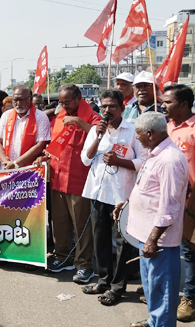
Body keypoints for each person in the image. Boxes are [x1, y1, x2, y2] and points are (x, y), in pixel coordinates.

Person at [117, 112, 188, 327]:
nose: (136, 138)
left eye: (138, 134)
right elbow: (147, 189)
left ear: (150, 133)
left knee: (162, 288)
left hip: (158, 241)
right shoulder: (155, 153)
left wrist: (153, 240)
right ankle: (155, 320)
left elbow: (169, 206)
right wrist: (128, 203)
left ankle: (163, 323)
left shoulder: (169, 160)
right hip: (146, 236)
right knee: (151, 286)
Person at [79, 89, 146, 306]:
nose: (107, 110)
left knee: (122, 244)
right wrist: (97, 137)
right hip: (98, 193)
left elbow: (144, 162)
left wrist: (120, 161)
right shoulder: (97, 130)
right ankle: (104, 280)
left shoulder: (132, 131)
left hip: (122, 197)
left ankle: (118, 287)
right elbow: (85, 160)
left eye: (112, 107)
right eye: (104, 106)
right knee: (100, 240)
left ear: (122, 108)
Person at [35, 84, 101, 283]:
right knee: (59, 223)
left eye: (68, 101)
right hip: (58, 178)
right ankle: (63, 257)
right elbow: (56, 145)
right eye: (62, 102)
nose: (64, 105)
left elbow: (101, 135)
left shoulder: (92, 116)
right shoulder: (60, 116)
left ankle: (84, 265)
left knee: (82, 225)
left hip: (80, 181)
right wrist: (44, 157)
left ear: (79, 97)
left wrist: (80, 122)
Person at [162, 84, 195, 321]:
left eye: (168, 101)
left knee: (189, 251)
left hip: (191, 202)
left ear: (183, 105)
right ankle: (168, 293)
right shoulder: (166, 127)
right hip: (167, 198)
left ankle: (189, 298)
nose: (163, 105)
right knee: (167, 247)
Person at [0, 85, 49, 170]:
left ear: (30, 99)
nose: (18, 103)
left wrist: (16, 164)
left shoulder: (40, 117)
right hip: (6, 169)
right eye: (16, 100)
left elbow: (40, 145)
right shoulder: (6, 115)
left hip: (29, 171)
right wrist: (6, 162)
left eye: (22, 100)